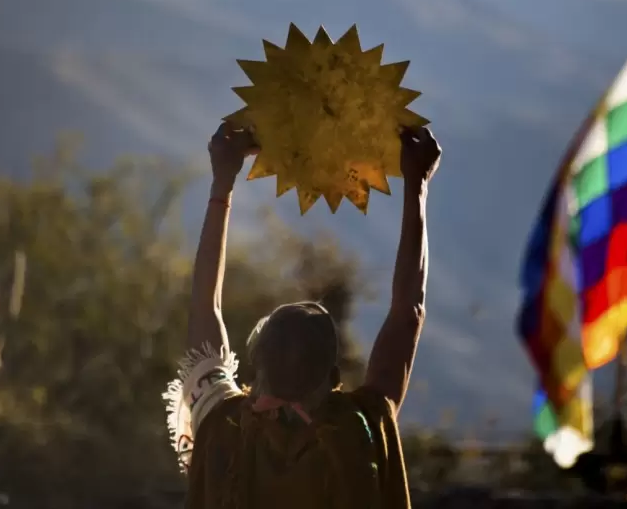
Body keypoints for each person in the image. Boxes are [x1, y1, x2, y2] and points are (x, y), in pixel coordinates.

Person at [163, 121, 442, 509]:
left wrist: (222, 185)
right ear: (333, 375)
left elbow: (203, 307)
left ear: (256, 365)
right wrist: (418, 187)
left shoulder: (222, 425)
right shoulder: (359, 427)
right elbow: (408, 310)